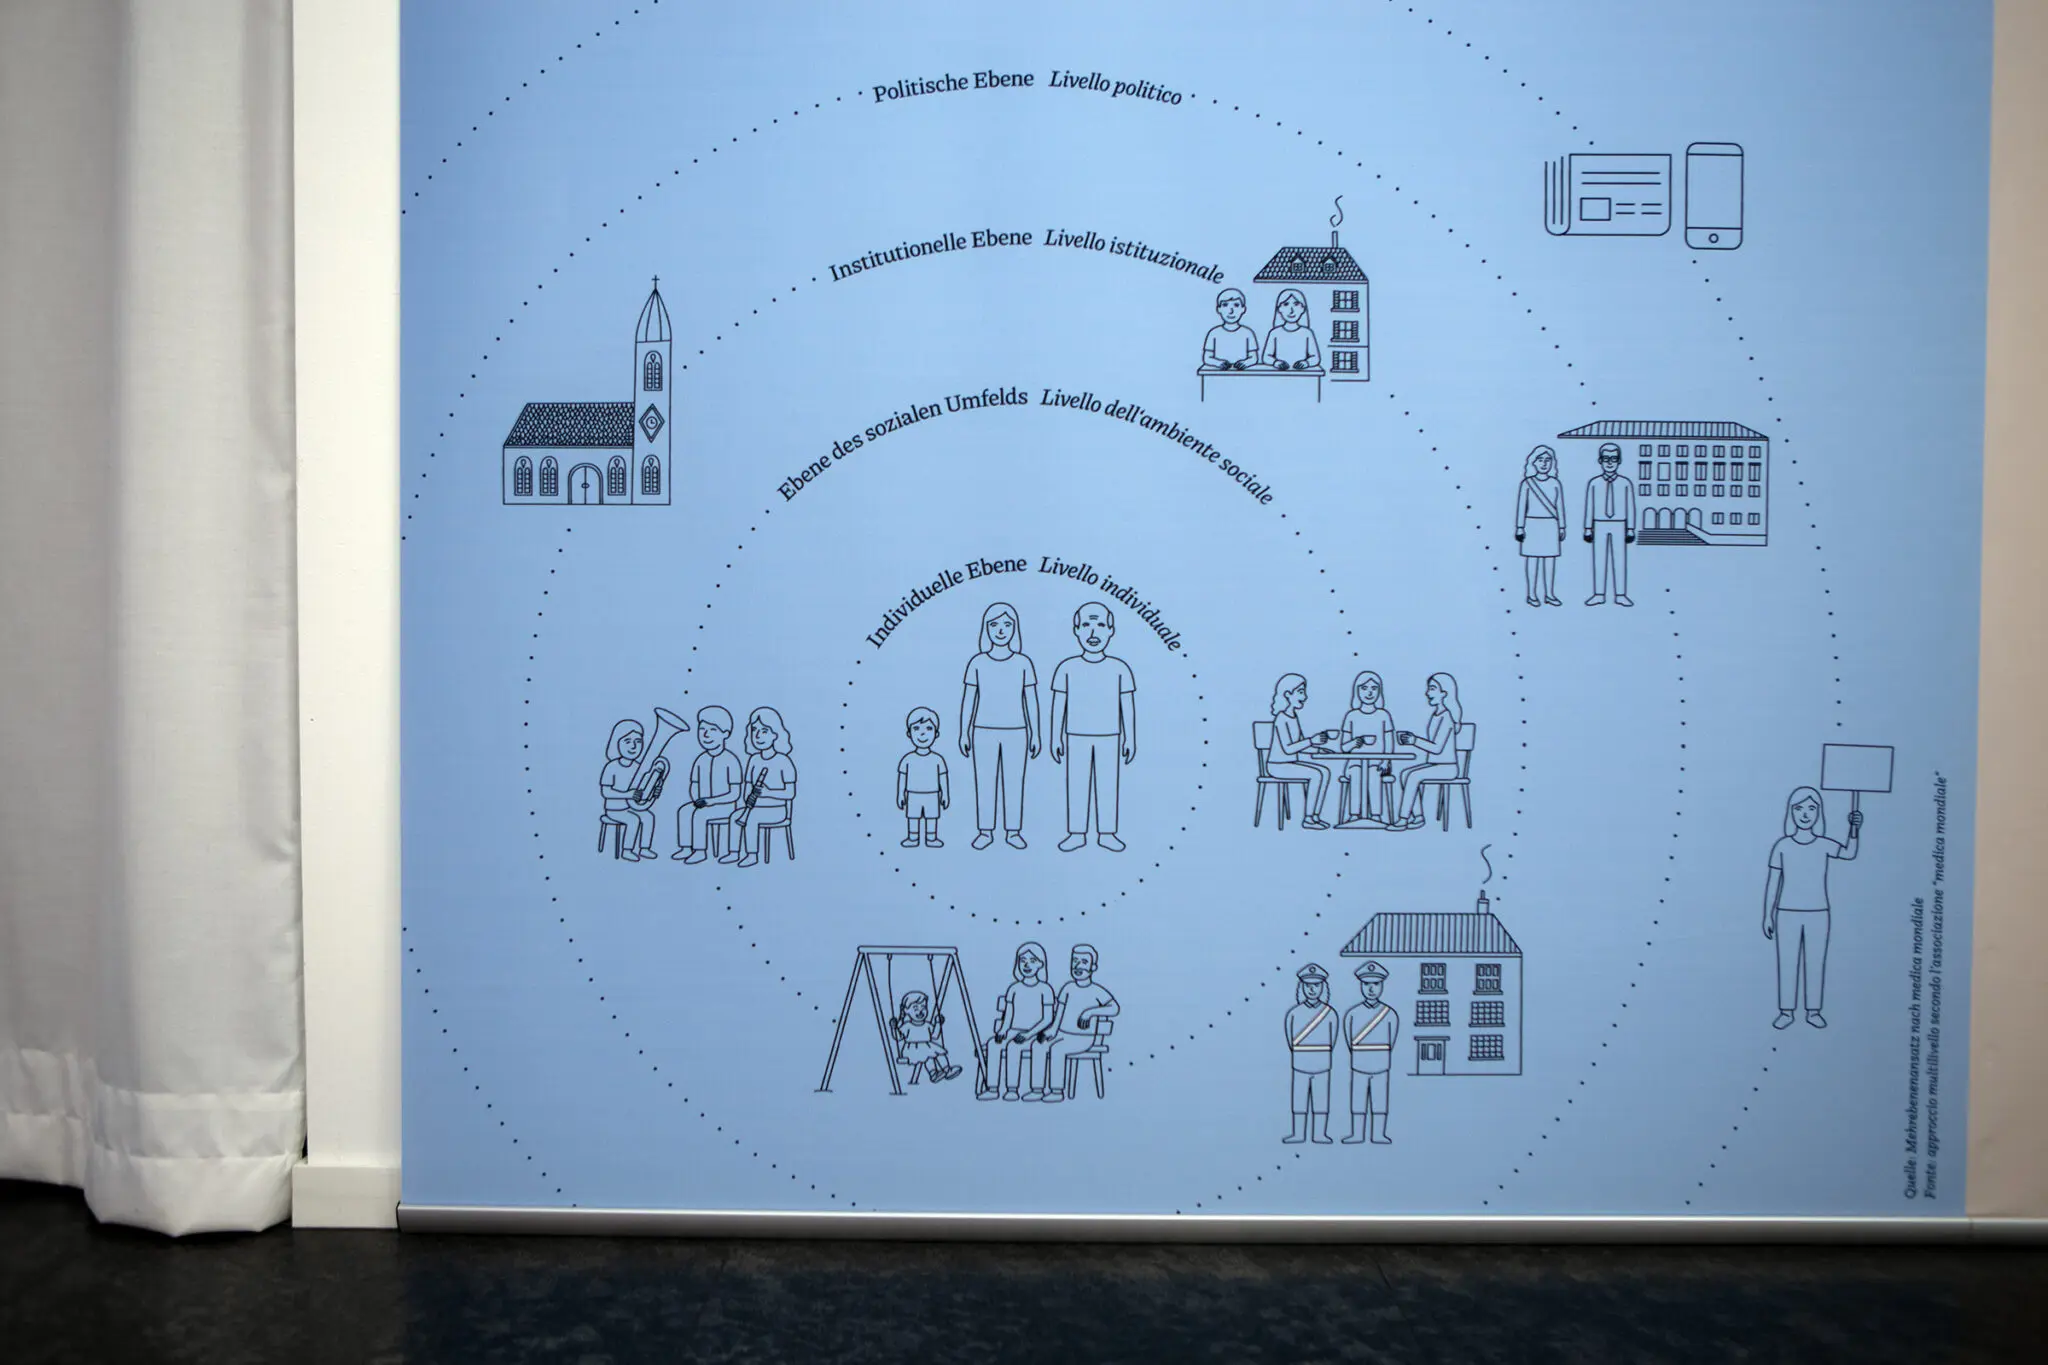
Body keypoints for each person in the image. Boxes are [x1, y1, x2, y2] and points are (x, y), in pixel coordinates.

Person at [1762, 786, 1863, 1029]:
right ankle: (1786, 1011)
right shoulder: (1782, 846)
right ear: (1791, 812)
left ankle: (1813, 1011)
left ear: (1819, 813)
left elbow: (1849, 853)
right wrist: (1767, 915)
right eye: (1799, 808)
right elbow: (1773, 883)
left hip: (1818, 912)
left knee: (1815, 961)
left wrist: (1854, 829)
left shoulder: (1824, 844)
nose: (1805, 814)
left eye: (1811, 808)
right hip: (1786, 912)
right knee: (1787, 961)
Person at [1050, 602, 1137, 853]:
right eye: (1086, 624)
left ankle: (1107, 833)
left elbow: (1127, 706)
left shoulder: (1120, 668)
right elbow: (1058, 705)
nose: (1092, 632)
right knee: (1076, 784)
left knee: (1108, 784)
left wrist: (1130, 738)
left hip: (1110, 736)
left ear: (1111, 630)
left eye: (1100, 624)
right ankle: (1076, 833)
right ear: (1076, 630)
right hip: (1075, 735)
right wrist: (1055, 737)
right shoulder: (1066, 667)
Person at [960, 602, 1040, 851]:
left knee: (1015, 780)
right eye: (994, 624)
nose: (1001, 630)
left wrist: (1036, 734)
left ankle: (1013, 831)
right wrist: (964, 732)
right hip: (983, 730)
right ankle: (985, 831)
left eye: (1007, 624)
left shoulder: (1024, 663)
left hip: (1017, 730)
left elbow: (1031, 701)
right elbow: (969, 700)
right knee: (984, 781)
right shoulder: (977, 662)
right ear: (986, 629)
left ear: (1015, 628)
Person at [1039, 944, 1120, 1103]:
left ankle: (1056, 1091)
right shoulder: (1067, 988)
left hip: (1083, 1038)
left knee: (1057, 1049)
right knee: (1039, 1045)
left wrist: (1089, 1012)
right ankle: (1038, 1088)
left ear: (1093, 967)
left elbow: (1114, 1008)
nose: (1078, 966)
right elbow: (1059, 1015)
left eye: (1083, 962)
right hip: (1062, 1034)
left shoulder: (1097, 990)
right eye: (1075, 961)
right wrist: (1052, 1031)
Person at [983, 942, 1056, 1101]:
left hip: (1035, 1032)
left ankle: (1013, 1089)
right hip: (1013, 1030)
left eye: (1032, 960)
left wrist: (1029, 1034)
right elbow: (1008, 1015)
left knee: (1014, 1047)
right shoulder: (1014, 988)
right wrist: (1003, 1030)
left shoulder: (1045, 989)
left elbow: (1048, 1018)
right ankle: (992, 1088)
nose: (1026, 965)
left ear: (1040, 964)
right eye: (1023, 960)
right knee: (992, 1045)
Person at [1392, 673, 1464, 829]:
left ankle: (1403, 819)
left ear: (1444, 693)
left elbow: (1437, 748)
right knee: (1405, 774)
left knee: (1412, 776)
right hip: (1435, 765)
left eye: (1432, 688)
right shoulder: (1436, 715)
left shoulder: (1447, 717)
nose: (1427, 693)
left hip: (1447, 767)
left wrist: (1414, 741)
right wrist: (1412, 741)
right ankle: (1418, 817)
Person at [673, 705, 742, 863]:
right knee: (684, 811)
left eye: (713, 729)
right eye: (702, 729)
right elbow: (694, 784)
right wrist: (696, 799)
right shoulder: (700, 759)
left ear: (725, 734)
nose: (705, 734)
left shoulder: (731, 760)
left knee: (700, 815)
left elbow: (735, 793)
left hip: (725, 806)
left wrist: (710, 801)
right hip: (703, 803)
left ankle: (700, 851)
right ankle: (686, 847)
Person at [1266, 673, 1335, 830]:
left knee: (1325, 771)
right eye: (1301, 692)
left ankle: (1315, 815)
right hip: (1277, 765)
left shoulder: (1293, 717)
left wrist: (1319, 749)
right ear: (1288, 694)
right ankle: (1308, 818)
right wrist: (1311, 741)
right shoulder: (1281, 718)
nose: (1305, 697)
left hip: (1290, 763)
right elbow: (1288, 748)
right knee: (1316, 774)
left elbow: (1301, 745)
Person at [1342, 961, 1399, 1145]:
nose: (1371, 989)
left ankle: (1378, 1134)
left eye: (1376, 984)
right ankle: (1357, 1134)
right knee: (1358, 1100)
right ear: (1361, 986)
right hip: (1359, 1064)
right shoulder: (1352, 1013)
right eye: (1367, 984)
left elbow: (1392, 1039)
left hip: (1381, 1064)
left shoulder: (1389, 1014)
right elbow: (1348, 1038)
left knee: (1380, 1101)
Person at [731, 706, 796, 868]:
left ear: (775, 734)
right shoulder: (753, 759)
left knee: (752, 819)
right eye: (754, 730)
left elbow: (790, 793)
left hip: (777, 810)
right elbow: (747, 784)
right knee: (734, 817)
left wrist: (767, 792)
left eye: (764, 731)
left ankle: (752, 855)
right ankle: (733, 852)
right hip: (755, 807)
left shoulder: (784, 761)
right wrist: (747, 799)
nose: (758, 736)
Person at [1284, 963, 1337, 1144]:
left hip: (1322, 1063)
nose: (1312, 989)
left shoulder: (1329, 1013)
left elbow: (1333, 1038)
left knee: (1321, 1100)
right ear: (1302, 987)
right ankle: (1298, 1134)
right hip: (1300, 1063)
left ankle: (1319, 1134)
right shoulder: (1294, 1013)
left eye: (1316, 985)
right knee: (1299, 1099)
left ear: (1323, 987)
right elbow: (1290, 1039)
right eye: (1308, 985)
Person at [1337, 670, 1397, 826]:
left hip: (1379, 764)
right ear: (1357, 691)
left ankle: (1376, 815)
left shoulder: (1384, 715)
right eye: (1364, 688)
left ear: (1379, 691)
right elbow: (1344, 747)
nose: (1369, 692)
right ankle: (1354, 815)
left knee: (1373, 774)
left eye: (1374, 688)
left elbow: (1389, 742)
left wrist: (1386, 761)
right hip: (1354, 764)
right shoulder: (1351, 716)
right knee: (1357, 773)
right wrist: (1355, 742)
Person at [1583, 442, 1636, 607]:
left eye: (1614, 458)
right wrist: (1587, 528)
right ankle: (1599, 594)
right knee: (1599, 559)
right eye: (1606, 458)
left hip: (1619, 523)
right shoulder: (1594, 483)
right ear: (1600, 461)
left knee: (1620, 560)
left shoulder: (1625, 483)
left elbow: (1630, 506)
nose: (1610, 462)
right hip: (1599, 523)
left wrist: (1630, 528)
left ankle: (1620, 594)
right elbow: (1589, 506)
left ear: (1619, 461)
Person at [1514, 444, 1566, 607]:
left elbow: (1560, 506)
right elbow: (1521, 506)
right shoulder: (1527, 483)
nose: (1544, 463)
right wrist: (1520, 527)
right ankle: (1531, 594)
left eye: (1547, 460)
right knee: (1532, 560)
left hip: (1551, 524)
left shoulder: (1555, 483)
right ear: (1533, 463)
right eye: (1540, 460)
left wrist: (1562, 526)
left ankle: (1549, 594)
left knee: (1550, 560)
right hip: (1532, 524)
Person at [599, 719, 658, 860]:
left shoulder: (639, 767)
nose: (633, 746)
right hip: (614, 809)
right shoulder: (611, 767)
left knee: (649, 817)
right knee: (633, 821)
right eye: (627, 741)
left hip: (631, 807)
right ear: (616, 743)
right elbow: (606, 792)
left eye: (638, 741)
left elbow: (641, 789)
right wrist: (627, 795)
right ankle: (627, 850)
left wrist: (653, 792)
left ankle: (644, 848)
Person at [896, 706, 950, 848]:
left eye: (929, 728)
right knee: (913, 817)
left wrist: (945, 794)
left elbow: (943, 777)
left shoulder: (938, 759)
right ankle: (913, 837)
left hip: (933, 794)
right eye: (916, 728)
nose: (922, 733)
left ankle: (931, 838)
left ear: (936, 734)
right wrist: (900, 794)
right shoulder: (907, 759)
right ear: (909, 733)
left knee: (932, 817)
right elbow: (902, 777)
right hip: (913, 794)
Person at [891, 989, 962, 1084]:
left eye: (923, 1007)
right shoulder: (907, 1026)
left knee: (940, 1053)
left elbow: (935, 1036)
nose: (920, 1011)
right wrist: (894, 1028)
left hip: (927, 1045)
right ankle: (933, 1074)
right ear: (906, 1011)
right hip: (913, 1049)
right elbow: (898, 1037)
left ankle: (947, 1069)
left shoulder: (927, 1025)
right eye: (915, 1008)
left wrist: (938, 1023)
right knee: (928, 1057)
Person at [1262, 288, 1322, 371]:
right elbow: (1266, 356)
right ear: (1279, 309)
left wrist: (1306, 363)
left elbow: (1315, 357)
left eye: (1296, 304)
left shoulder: (1307, 333)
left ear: (1303, 309)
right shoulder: (1274, 333)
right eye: (1286, 304)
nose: (1291, 310)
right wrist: (1276, 363)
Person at [1201, 287, 1260, 370]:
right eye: (1225, 305)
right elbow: (1207, 357)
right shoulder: (1213, 333)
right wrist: (1219, 363)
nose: (1231, 311)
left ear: (1243, 309)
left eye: (1236, 305)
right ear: (1218, 309)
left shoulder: (1248, 333)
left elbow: (1253, 357)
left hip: (1243, 373)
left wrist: (1245, 363)